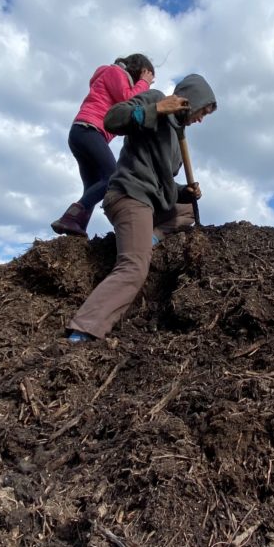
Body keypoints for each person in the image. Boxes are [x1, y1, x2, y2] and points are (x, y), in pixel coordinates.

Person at [67, 74, 218, 342]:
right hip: (129, 195)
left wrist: (185, 191)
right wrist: (156, 109)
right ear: (191, 100)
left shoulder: (177, 137)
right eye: (202, 111)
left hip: (151, 200)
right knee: (135, 266)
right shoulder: (156, 99)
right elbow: (112, 119)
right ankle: (84, 328)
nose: (201, 119)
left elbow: (164, 185)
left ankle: (149, 236)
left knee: (188, 211)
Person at [50, 53, 156, 237]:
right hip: (89, 130)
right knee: (112, 177)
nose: (148, 84)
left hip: (82, 132)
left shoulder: (110, 75)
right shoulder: (115, 72)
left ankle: (76, 228)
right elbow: (128, 100)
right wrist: (144, 83)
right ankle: (70, 218)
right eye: (148, 76)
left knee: (92, 185)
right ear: (141, 71)